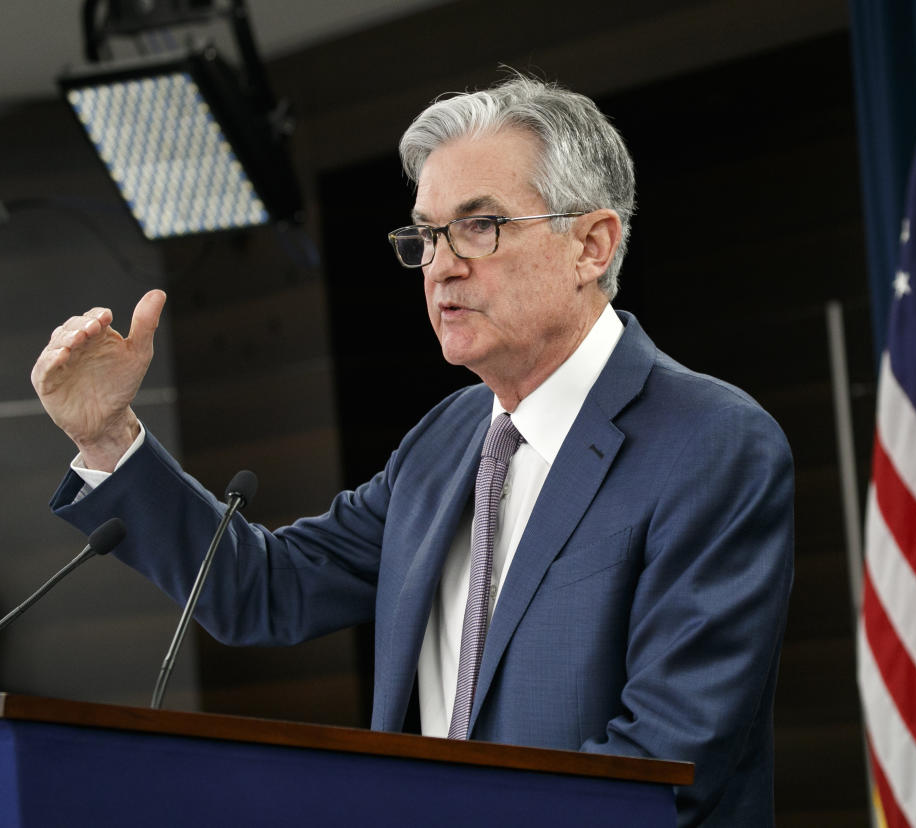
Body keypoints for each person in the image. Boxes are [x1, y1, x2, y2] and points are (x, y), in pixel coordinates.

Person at [31, 74, 794, 827]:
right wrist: (107, 435)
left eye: (480, 226)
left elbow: (665, 766)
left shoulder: (711, 443)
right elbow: (265, 588)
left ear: (591, 244)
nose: (441, 265)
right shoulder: (447, 439)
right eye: (427, 234)